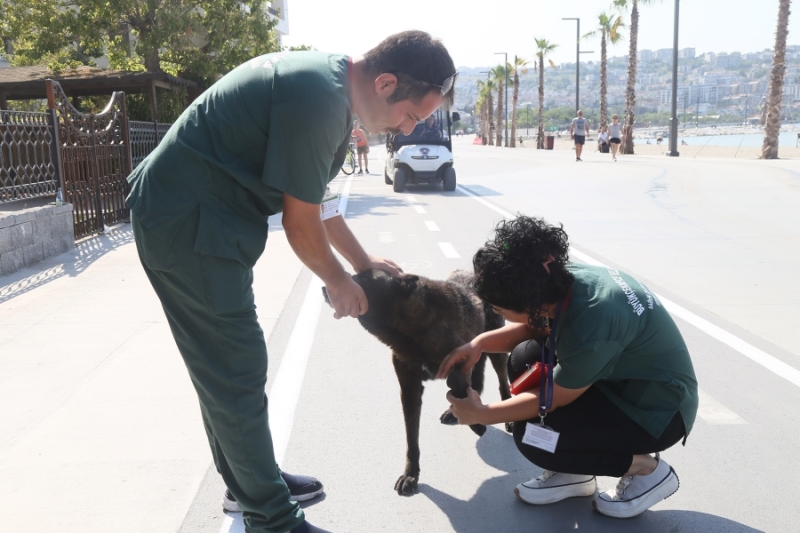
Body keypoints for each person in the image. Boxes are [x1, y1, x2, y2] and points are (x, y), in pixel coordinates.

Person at [126, 30, 456, 533]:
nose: (406, 130)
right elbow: (299, 223)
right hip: (188, 222)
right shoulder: (320, 101)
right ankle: (273, 518)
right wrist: (341, 282)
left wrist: (364, 261)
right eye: (411, 116)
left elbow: (316, 199)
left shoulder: (331, 91)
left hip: (195, 216)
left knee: (227, 369)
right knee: (234, 369)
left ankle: (250, 485)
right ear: (386, 83)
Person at [437, 216, 698, 519]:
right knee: (525, 357)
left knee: (533, 437)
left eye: (497, 309)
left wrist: (482, 414)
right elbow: (538, 327)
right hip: (621, 383)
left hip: (657, 412)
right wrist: (479, 344)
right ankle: (574, 474)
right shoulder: (558, 280)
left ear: (527, 301)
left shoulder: (594, 322)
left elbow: (553, 398)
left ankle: (647, 470)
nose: (496, 313)